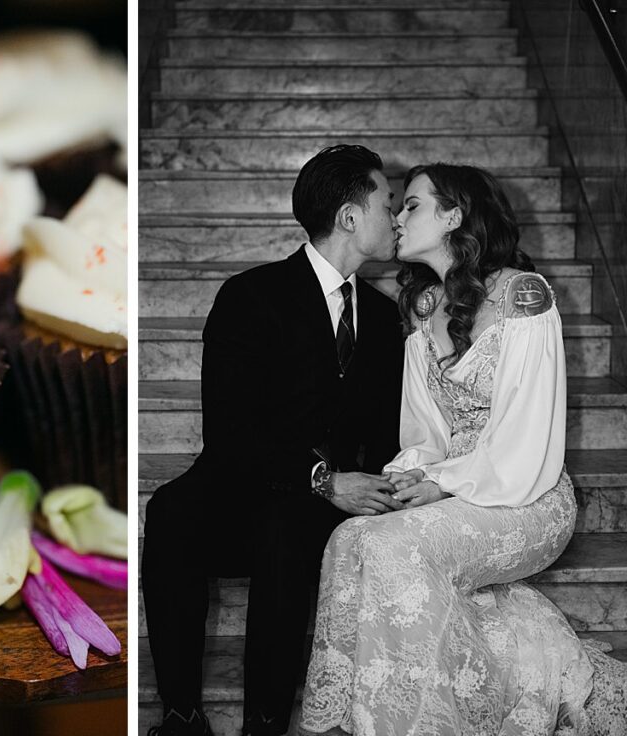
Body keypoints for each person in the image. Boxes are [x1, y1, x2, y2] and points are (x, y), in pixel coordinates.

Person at [299, 163, 627, 735]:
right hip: (455, 486)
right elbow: (423, 434)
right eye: (397, 206)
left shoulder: (525, 296)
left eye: (413, 206)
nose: (398, 218)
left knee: (396, 550)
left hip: (527, 495)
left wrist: (441, 484)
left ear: (454, 215)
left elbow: (527, 439)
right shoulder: (424, 310)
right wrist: (409, 477)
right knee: (350, 537)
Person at [142, 144, 406, 736]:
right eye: (387, 203)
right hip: (243, 477)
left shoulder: (388, 321)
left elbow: (387, 434)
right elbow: (229, 430)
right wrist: (322, 479)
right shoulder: (250, 295)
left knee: (287, 530)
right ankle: (181, 717)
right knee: (169, 512)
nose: (394, 219)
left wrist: (386, 483)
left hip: (314, 503)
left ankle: (265, 724)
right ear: (349, 216)